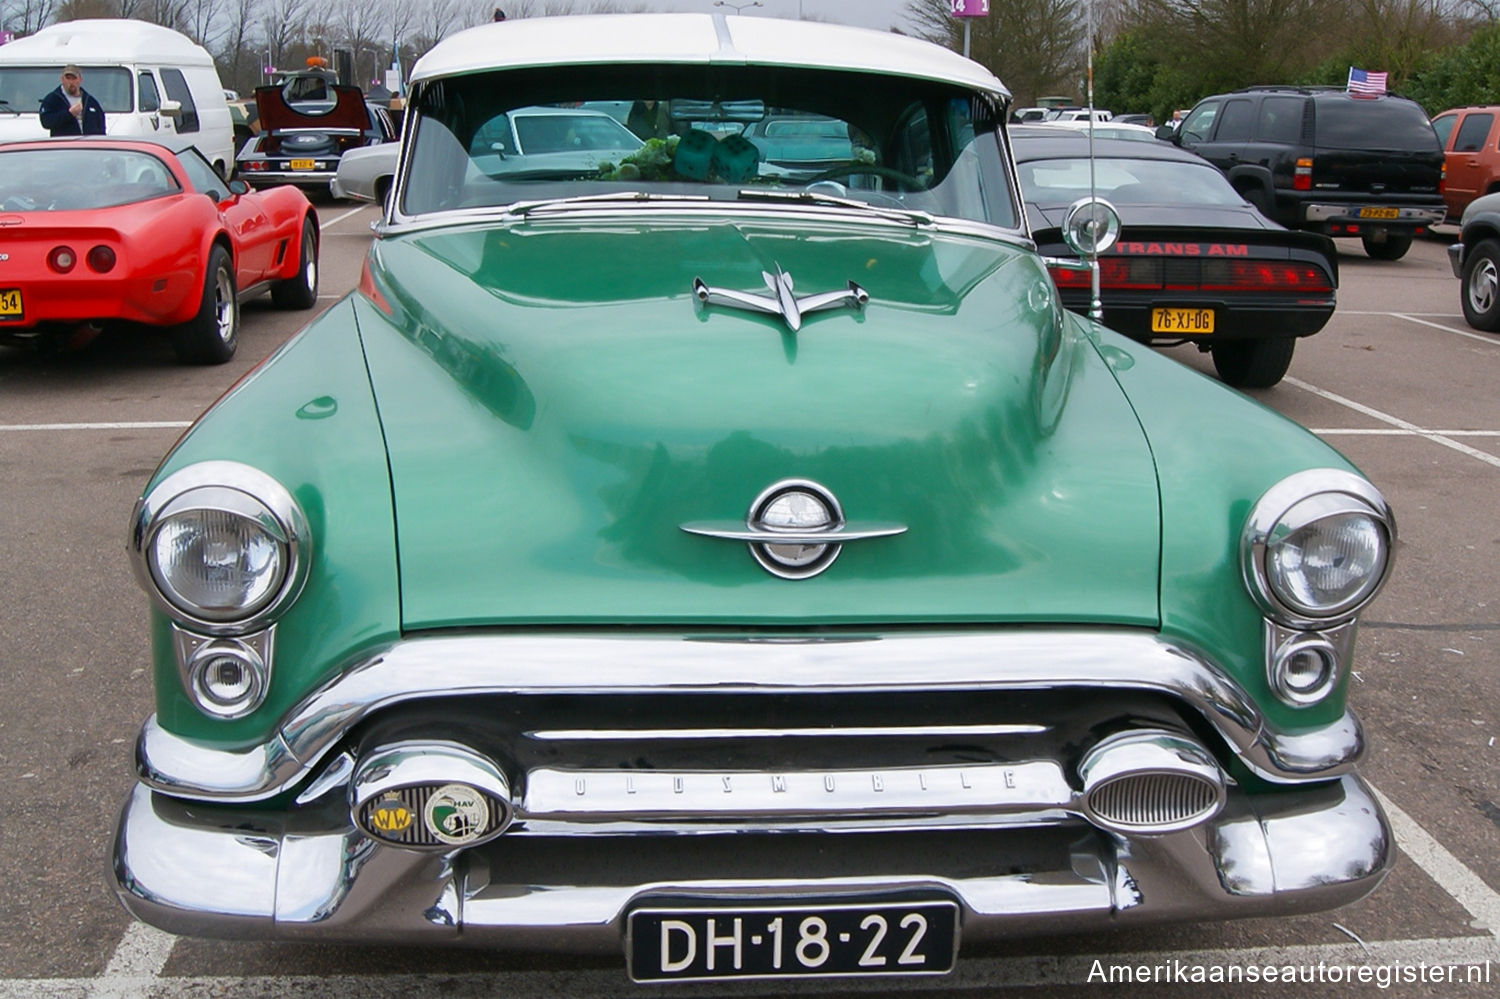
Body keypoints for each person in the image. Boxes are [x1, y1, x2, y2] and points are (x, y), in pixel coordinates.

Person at [39, 64, 106, 136]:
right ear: (62, 79)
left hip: (88, 145)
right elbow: (46, 122)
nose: (71, 82)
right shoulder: (53, 99)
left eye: (74, 78)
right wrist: (69, 114)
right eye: (68, 78)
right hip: (65, 145)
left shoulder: (90, 101)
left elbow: (101, 125)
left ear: (80, 80)